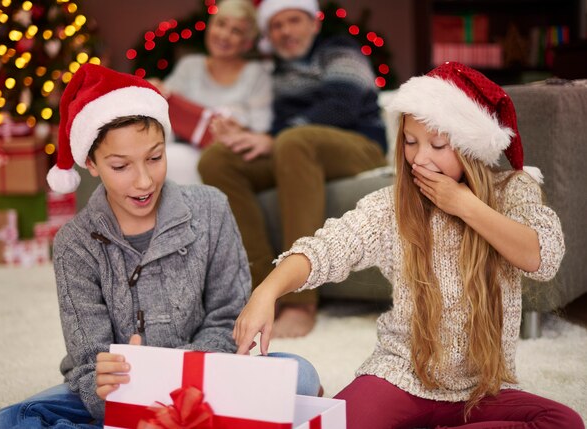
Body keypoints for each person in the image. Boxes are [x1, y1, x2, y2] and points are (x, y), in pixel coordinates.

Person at [233, 62, 585, 429]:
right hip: (400, 377)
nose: (419, 158)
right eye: (410, 142)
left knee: (564, 422)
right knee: (334, 425)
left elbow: (542, 258)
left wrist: (464, 205)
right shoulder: (392, 204)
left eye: (437, 145)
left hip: (483, 392)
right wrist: (267, 292)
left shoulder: (514, 191)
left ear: (470, 147)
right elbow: (326, 248)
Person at [0, 64, 319, 429]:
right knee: (4, 422)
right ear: (92, 163)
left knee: (301, 375)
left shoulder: (211, 208)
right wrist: (105, 385)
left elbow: (227, 317)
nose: (143, 181)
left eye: (155, 158)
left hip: (209, 375)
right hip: (125, 391)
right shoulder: (73, 244)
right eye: (121, 166)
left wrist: (175, 373)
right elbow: (88, 359)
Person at [198, 0, 388, 338]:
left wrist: (274, 139)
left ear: (313, 23)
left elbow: (341, 105)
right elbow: (268, 123)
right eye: (277, 25)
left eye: (294, 21)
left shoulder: (339, 50)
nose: (286, 31)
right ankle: (259, 290)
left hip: (359, 145)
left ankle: (301, 300)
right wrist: (243, 134)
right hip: (296, 148)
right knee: (218, 159)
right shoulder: (275, 71)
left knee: (293, 142)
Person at [149, 0, 272, 185]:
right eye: (220, 24)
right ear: (210, 27)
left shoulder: (257, 74)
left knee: (192, 162)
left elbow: (261, 128)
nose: (224, 35)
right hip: (184, 148)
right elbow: (163, 110)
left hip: (230, 153)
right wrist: (152, 91)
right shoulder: (190, 66)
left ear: (247, 44)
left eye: (236, 31)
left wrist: (239, 129)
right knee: (167, 157)